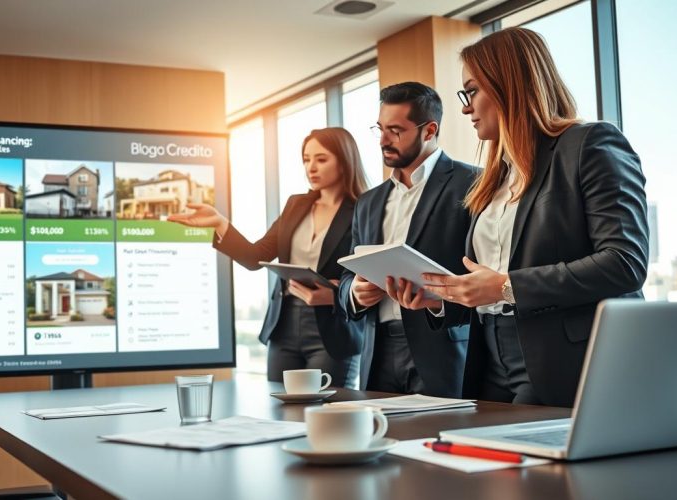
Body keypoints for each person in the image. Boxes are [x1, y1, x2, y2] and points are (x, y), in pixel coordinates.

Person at [412, 27, 648, 407]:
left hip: (563, 359)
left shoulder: (590, 145)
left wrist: (507, 287)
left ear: (509, 84)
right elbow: (492, 281)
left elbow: (624, 263)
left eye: (472, 91)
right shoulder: (494, 178)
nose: (465, 107)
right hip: (489, 359)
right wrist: (442, 299)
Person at [169, 127, 368, 387]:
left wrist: (333, 294)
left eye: (321, 159)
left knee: (326, 414)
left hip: (334, 328)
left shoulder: (364, 209)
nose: (311, 167)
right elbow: (255, 256)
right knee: (280, 414)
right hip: (284, 327)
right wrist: (220, 223)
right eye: (306, 159)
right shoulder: (295, 205)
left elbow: (366, 273)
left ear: (344, 160)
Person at [338, 82, 477, 397]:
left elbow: (485, 273)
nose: (384, 140)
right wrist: (355, 294)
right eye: (380, 129)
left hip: (443, 351)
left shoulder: (472, 184)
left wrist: (439, 304)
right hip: (377, 353)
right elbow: (348, 275)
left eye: (395, 131)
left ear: (429, 131)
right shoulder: (368, 201)